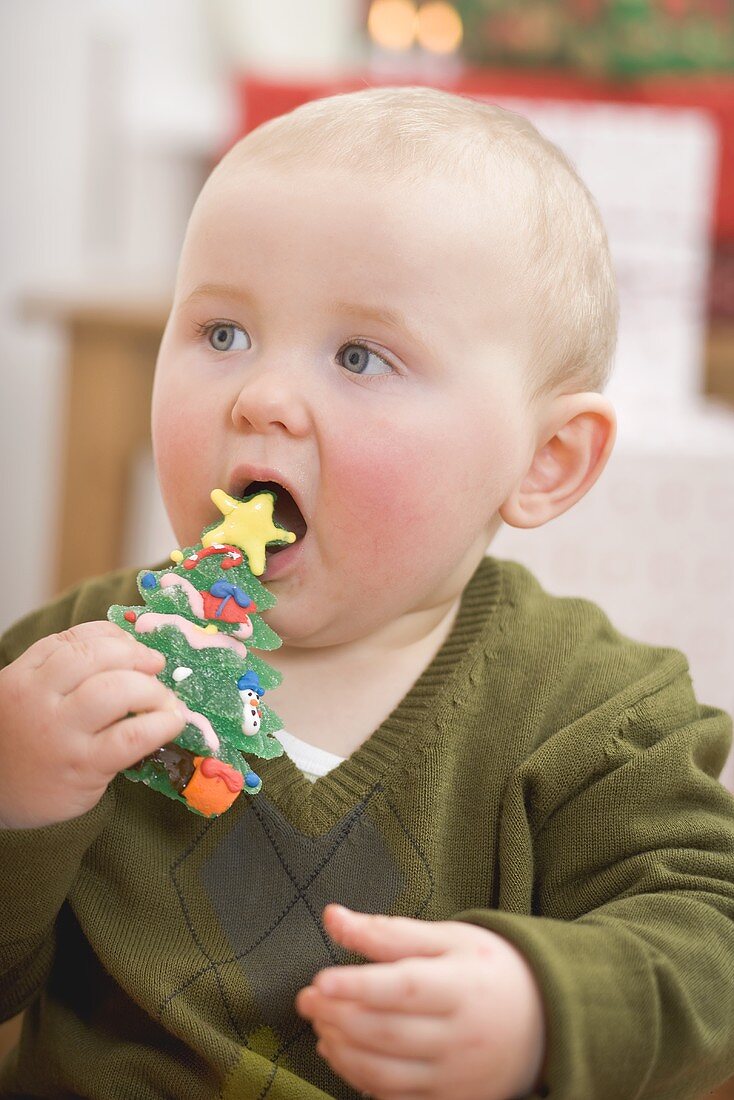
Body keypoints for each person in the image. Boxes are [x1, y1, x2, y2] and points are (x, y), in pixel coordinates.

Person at [1, 86, 733, 1100]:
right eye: (221, 333)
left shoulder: (595, 715)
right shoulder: (67, 664)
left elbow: (710, 944)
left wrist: (543, 1005)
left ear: (544, 459)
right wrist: (17, 799)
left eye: (358, 356)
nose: (260, 396)